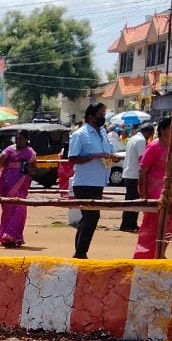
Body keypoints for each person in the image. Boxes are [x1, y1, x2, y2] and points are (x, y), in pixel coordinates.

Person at [68, 103, 114, 259]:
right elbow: (72, 158)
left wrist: (111, 156)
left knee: (87, 217)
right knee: (92, 217)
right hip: (84, 182)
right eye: (100, 114)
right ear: (90, 117)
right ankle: (81, 253)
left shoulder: (102, 133)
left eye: (104, 114)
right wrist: (93, 156)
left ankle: (79, 251)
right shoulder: (80, 134)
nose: (103, 117)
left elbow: (107, 152)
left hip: (99, 181)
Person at [133, 118, 172, 259]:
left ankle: (160, 253)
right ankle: (144, 256)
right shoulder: (154, 147)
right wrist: (143, 195)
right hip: (153, 192)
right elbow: (142, 171)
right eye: (170, 128)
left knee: (168, 223)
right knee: (152, 225)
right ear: (162, 130)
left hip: (169, 192)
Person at [0, 130, 37, 248]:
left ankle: (14, 236)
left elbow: (34, 170)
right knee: (8, 209)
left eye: (21, 139)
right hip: (7, 183)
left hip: (22, 183)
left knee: (20, 209)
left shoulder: (31, 153)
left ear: (26, 139)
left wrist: (28, 170)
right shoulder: (8, 151)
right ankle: (6, 236)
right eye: (17, 139)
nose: (18, 141)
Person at [120, 123, 154, 232]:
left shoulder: (133, 138)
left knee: (130, 200)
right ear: (149, 133)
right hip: (135, 175)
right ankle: (129, 225)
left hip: (129, 173)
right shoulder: (141, 141)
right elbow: (142, 159)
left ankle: (129, 224)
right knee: (134, 201)